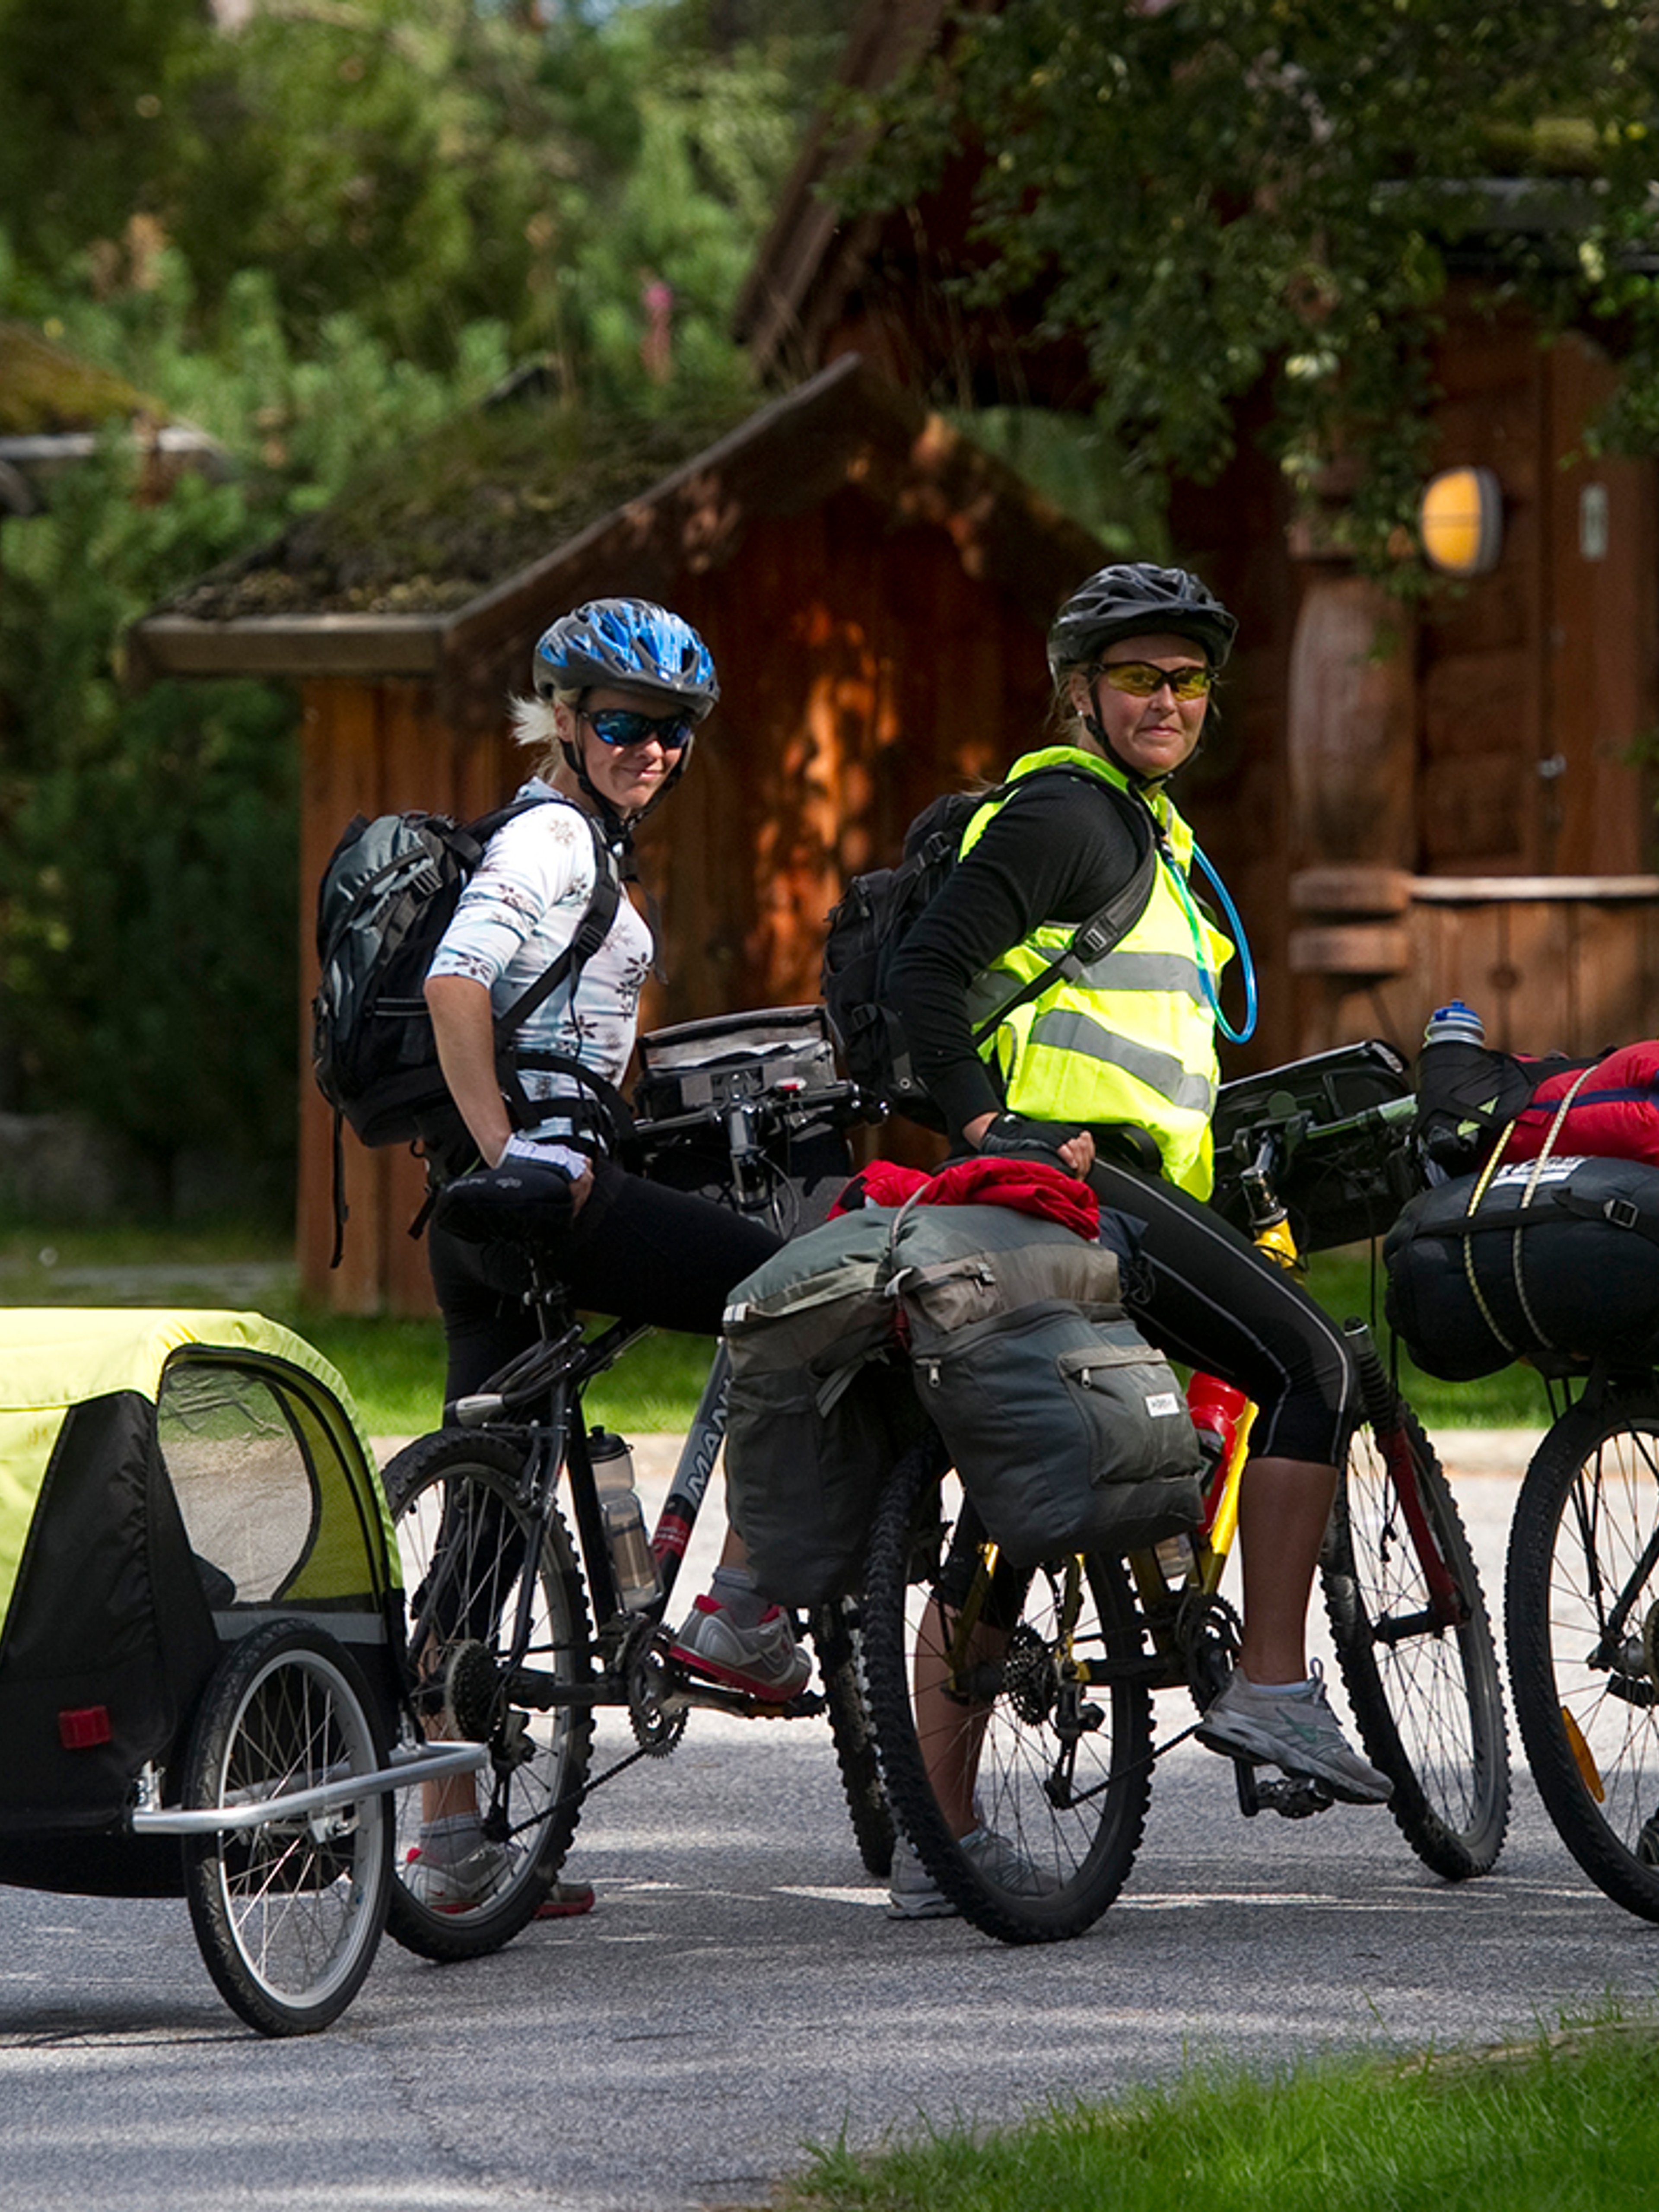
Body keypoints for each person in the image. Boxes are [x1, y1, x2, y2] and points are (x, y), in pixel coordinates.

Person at [884, 559, 1389, 1919]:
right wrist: (992, 1123)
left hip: (1103, 1187)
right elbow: (924, 973)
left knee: (1017, 1498)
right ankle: (1276, 1689)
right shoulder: (1071, 813)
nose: (1167, 701)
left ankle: (936, 1840)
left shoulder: (1145, 833)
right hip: (1072, 1185)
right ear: (1079, 692)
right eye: (1138, 679)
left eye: (1187, 681)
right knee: (1313, 1371)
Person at [410, 596, 810, 1913]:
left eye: (675, 732)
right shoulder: (553, 839)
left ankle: (455, 1844)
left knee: (490, 1504)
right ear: (567, 721)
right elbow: (456, 989)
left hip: (482, 1223)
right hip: (532, 1202)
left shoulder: (588, 845)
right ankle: (747, 1600)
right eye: (627, 724)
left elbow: (583, 1045)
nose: (653, 749)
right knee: (794, 1294)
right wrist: (509, 1155)